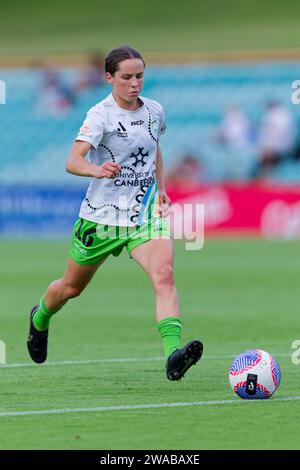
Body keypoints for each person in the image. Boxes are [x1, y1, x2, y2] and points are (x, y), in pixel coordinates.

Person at [27, 46, 203, 381]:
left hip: (143, 215)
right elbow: (72, 160)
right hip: (101, 218)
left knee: (164, 275)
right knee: (70, 289)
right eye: (126, 77)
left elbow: (154, 150)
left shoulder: (154, 111)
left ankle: (173, 356)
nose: (134, 83)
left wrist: (162, 190)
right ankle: (40, 318)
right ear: (109, 78)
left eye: (139, 76)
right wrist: (96, 171)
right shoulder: (100, 115)